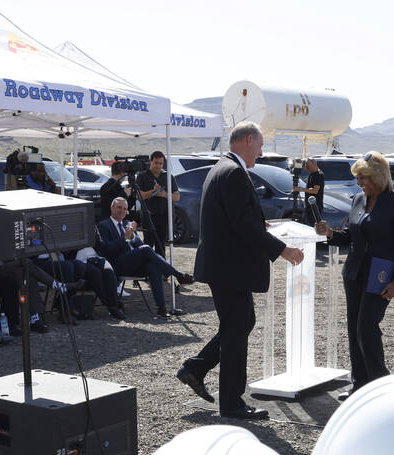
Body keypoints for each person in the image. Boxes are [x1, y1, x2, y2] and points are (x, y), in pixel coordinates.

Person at [178, 122, 303, 420]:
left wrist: (259, 227)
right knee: (236, 331)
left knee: (242, 322)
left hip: (224, 267)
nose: (260, 153)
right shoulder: (233, 172)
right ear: (247, 140)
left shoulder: (221, 168)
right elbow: (242, 224)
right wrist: (281, 249)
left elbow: (235, 218)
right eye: (259, 146)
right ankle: (232, 404)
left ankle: (196, 367)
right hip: (230, 269)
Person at [316, 151, 394, 399]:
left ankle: (380, 385)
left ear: (378, 177)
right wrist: (330, 233)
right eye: (358, 178)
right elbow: (349, 235)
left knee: (366, 327)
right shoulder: (358, 199)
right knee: (353, 328)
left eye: (363, 178)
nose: (360, 183)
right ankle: (359, 384)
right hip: (354, 273)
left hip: (381, 277)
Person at [95, 196, 194, 319]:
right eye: (119, 208)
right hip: (117, 264)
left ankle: (161, 308)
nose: (122, 211)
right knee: (147, 249)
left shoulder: (127, 224)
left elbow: (140, 246)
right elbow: (107, 249)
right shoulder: (103, 226)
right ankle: (178, 275)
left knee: (153, 266)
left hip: (134, 263)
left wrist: (132, 236)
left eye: (125, 209)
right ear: (112, 208)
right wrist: (125, 238)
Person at [135, 150, 178, 255]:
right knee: (148, 245)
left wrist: (163, 194)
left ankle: (161, 270)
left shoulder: (168, 176)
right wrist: (152, 192)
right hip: (148, 217)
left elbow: (176, 197)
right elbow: (138, 196)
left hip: (164, 216)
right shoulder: (142, 176)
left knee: (161, 246)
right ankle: (147, 270)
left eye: (160, 163)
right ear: (151, 161)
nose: (158, 166)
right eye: (156, 162)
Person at [301, 158, 325, 224]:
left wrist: (300, 189)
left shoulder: (319, 175)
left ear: (314, 164)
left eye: (308, 166)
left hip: (315, 206)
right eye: (306, 166)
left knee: (313, 224)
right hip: (309, 205)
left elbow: (315, 191)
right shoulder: (312, 173)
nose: (307, 168)